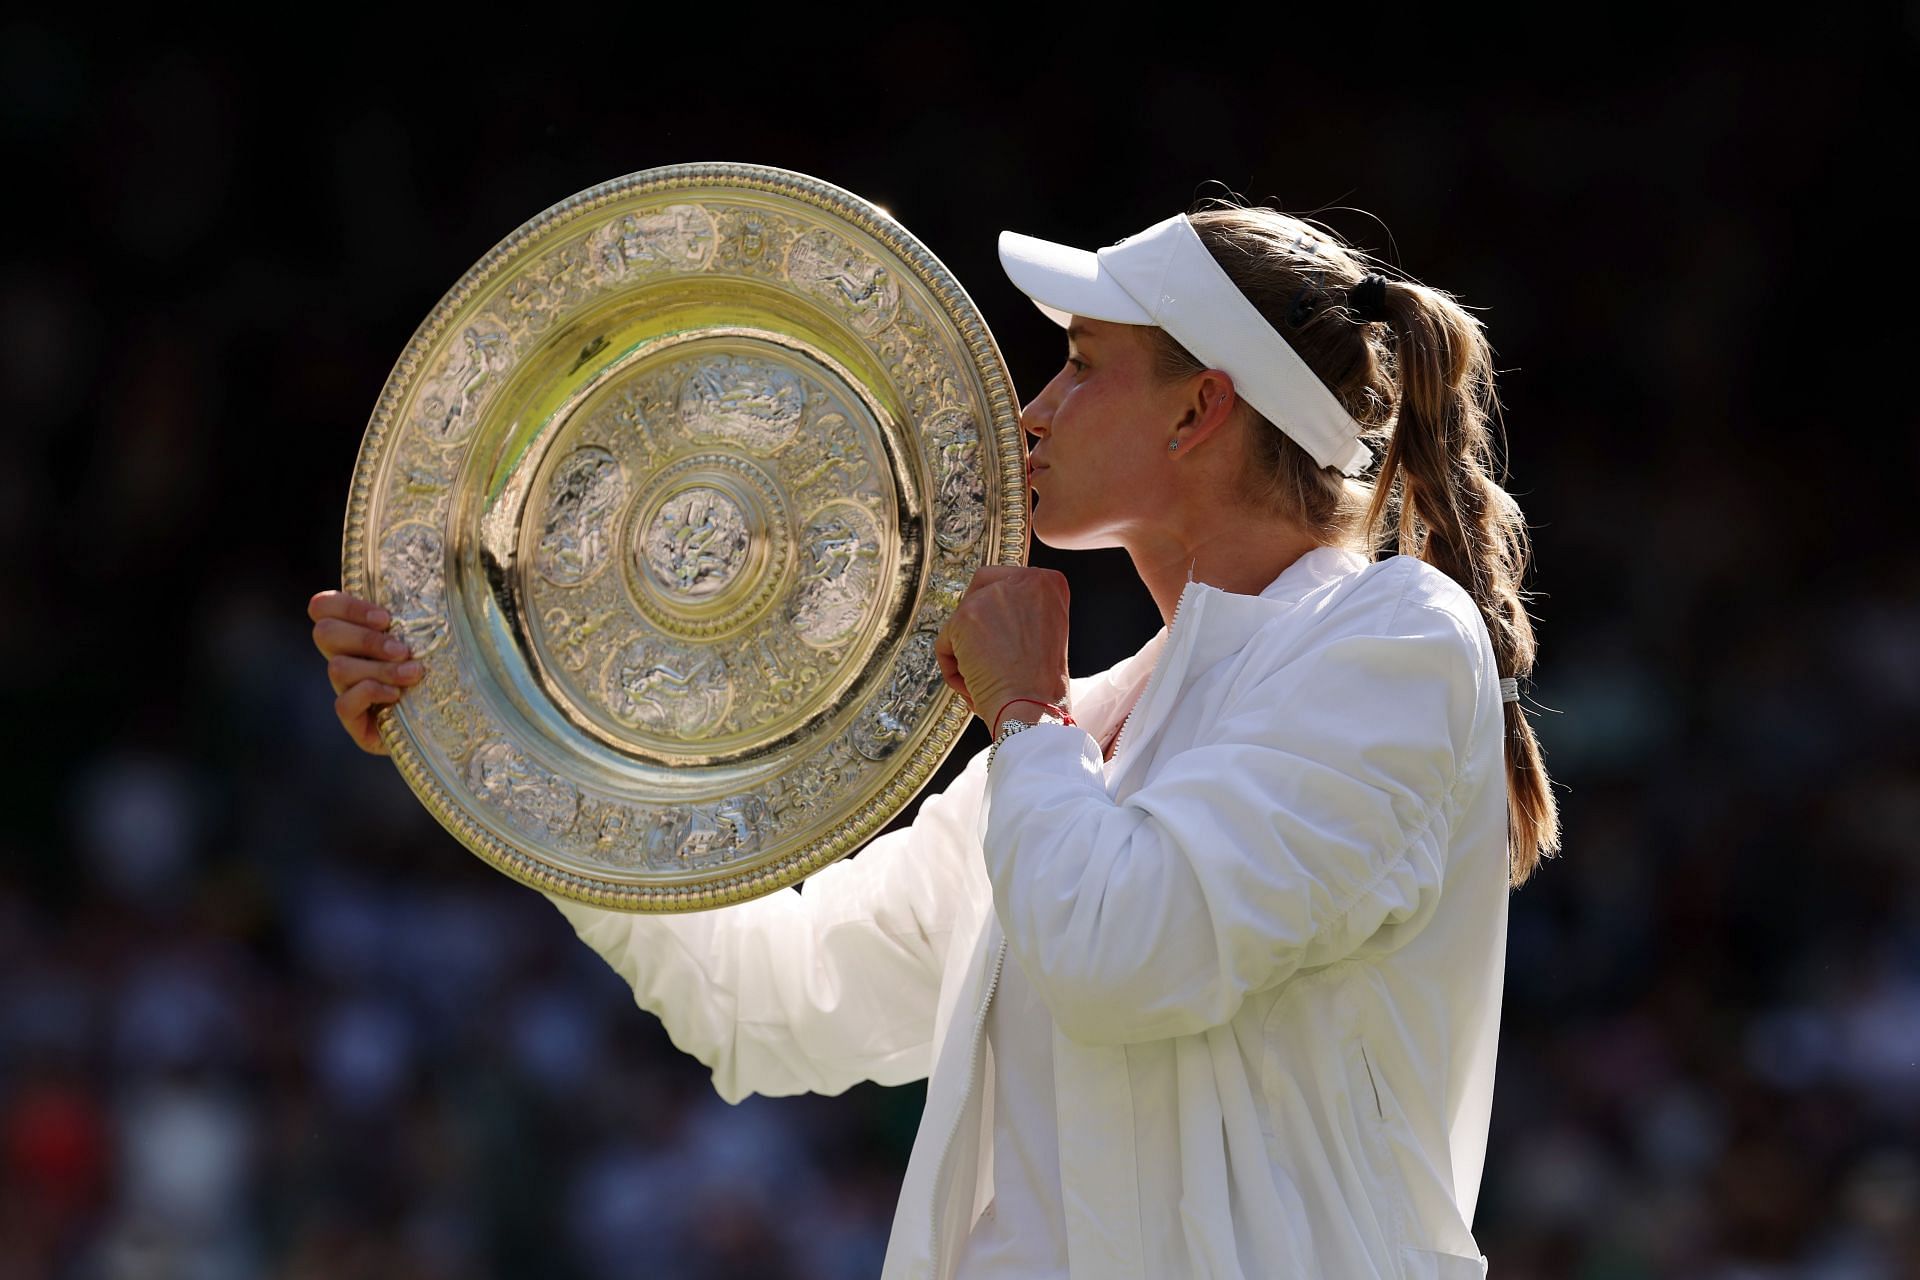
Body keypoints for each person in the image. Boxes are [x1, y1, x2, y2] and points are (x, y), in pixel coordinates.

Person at [309, 197, 1561, 1279]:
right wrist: (503, 731)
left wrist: (1025, 712)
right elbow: (773, 999)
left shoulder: (1394, 638)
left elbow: (1128, 952)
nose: (1033, 407)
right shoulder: (1093, 726)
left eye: (1080, 364)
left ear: (1199, 413)